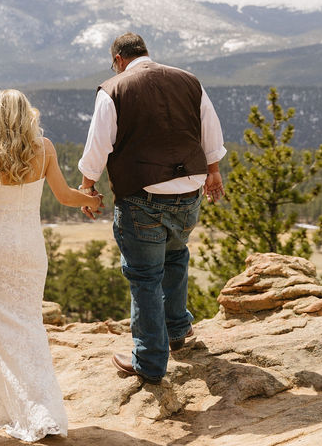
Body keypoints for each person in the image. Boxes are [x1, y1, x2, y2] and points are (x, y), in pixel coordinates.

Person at [78, 32, 226, 384]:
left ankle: (149, 360)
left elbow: (98, 143)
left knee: (144, 276)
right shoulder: (189, 81)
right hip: (189, 190)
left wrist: (87, 184)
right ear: (146, 53)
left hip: (141, 196)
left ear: (118, 59)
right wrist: (214, 173)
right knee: (176, 257)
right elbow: (211, 131)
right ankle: (177, 331)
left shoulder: (113, 89)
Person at [0, 89, 102, 442]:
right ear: (27, 115)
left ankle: (6, 409)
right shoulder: (45, 148)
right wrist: (92, 199)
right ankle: (42, 408)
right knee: (30, 326)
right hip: (31, 249)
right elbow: (65, 195)